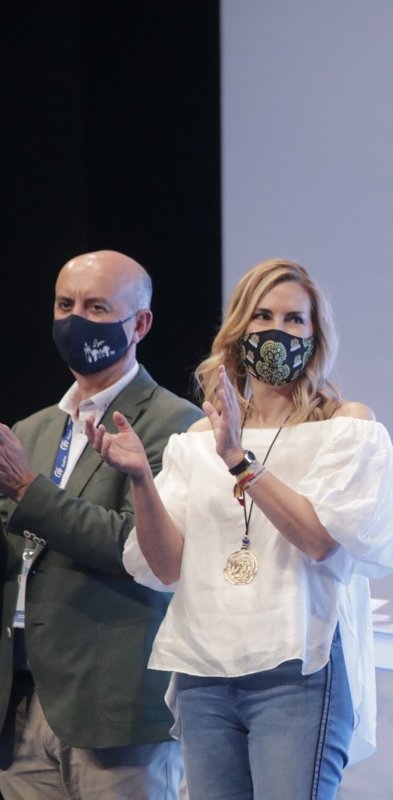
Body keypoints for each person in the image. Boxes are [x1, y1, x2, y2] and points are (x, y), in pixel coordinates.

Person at [87, 258, 393, 799]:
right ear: (238, 330)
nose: (277, 331)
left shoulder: (346, 426)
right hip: (203, 676)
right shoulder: (197, 440)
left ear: (315, 336)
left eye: (294, 319)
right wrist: (141, 479)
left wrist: (240, 461)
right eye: (263, 316)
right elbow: (165, 566)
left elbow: (321, 540)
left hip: (297, 673)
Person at [0, 250, 200, 798]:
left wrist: (27, 489)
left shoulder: (177, 424)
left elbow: (137, 549)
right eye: (65, 305)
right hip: (22, 701)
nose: (75, 320)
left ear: (140, 324)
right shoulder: (33, 429)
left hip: (116, 710)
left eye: (96, 307)